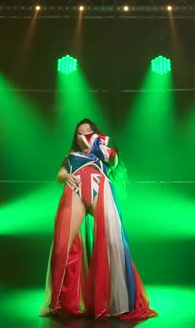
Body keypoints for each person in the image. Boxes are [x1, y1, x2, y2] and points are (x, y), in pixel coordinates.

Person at [40, 118, 157, 320]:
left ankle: (121, 302)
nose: (83, 134)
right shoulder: (71, 157)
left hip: (100, 191)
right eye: (79, 132)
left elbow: (114, 160)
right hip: (75, 191)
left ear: (94, 134)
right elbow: (60, 174)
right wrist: (64, 176)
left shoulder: (101, 151)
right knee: (61, 246)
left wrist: (100, 146)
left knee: (113, 242)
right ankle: (58, 302)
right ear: (75, 138)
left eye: (88, 131)